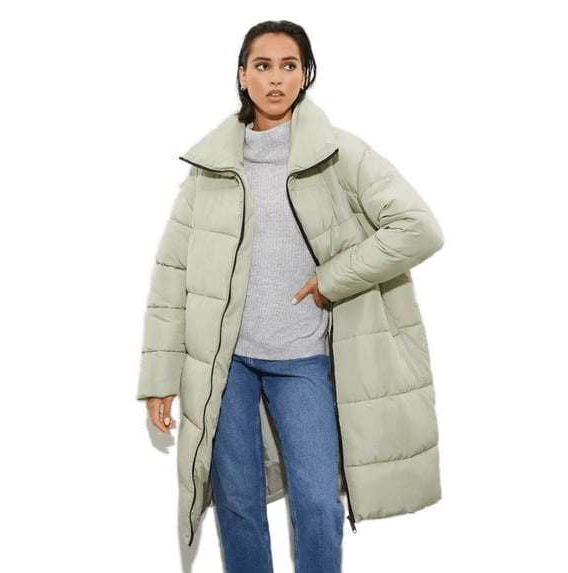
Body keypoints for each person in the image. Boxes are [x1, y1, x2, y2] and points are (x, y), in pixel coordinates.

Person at [136, 19, 444, 573]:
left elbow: (419, 229)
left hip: (303, 359)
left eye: (289, 65)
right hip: (226, 365)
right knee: (238, 505)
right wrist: (160, 378)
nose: (275, 78)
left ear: (305, 75)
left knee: (318, 504)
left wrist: (332, 279)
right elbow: (171, 274)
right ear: (242, 76)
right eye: (263, 65)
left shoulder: (340, 154)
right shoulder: (211, 170)